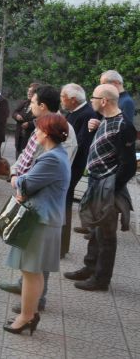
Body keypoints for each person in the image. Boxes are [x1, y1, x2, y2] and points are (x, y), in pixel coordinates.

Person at [1, 84, 77, 313]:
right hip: (27, 192)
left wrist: (21, 183)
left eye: (32, 102)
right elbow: (26, 155)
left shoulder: (62, 131)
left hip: (39, 199)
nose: (29, 106)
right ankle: (25, 287)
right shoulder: (42, 126)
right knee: (28, 252)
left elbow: (52, 170)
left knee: (38, 255)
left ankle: (37, 300)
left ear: (42, 106)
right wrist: (15, 171)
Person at [64, 84, 136, 291]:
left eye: (94, 98)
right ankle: (89, 267)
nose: (91, 101)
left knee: (106, 234)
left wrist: (112, 188)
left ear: (104, 101)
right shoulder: (106, 119)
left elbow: (129, 165)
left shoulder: (124, 125)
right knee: (95, 229)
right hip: (97, 182)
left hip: (107, 186)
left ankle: (101, 278)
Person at [59, 83, 97, 257]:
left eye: (63, 97)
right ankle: (58, 245)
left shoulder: (87, 114)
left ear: (73, 100)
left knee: (64, 205)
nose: (61, 100)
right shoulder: (74, 112)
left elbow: (80, 144)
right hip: (67, 164)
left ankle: (61, 247)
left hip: (72, 167)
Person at [12, 83, 40, 160]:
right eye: (28, 91)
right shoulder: (24, 103)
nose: (28, 93)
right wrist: (16, 116)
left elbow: (40, 120)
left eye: (31, 92)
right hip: (19, 135)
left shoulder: (39, 106)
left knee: (25, 157)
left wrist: (29, 124)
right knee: (18, 156)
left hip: (29, 137)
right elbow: (14, 112)